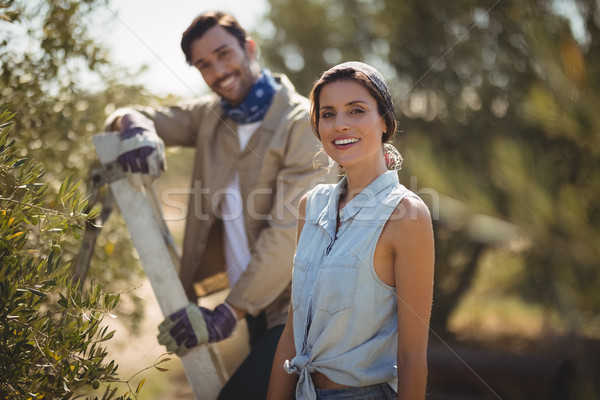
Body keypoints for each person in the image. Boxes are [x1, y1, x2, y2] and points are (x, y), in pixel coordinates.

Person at [106, 11, 333, 399]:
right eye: (204, 64)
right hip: (256, 309)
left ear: (249, 48)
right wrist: (135, 129)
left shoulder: (301, 124)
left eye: (224, 54)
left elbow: (288, 233)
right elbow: (134, 114)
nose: (218, 71)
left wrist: (228, 313)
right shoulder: (211, 117)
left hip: (305, 307)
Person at [266, 62, 435, 400]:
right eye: (327, 114)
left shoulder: (406, 215)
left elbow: (413, 357)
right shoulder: (310, 207)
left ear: (385, 121)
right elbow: (293, 332)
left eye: (356, 111)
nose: (340, 124)